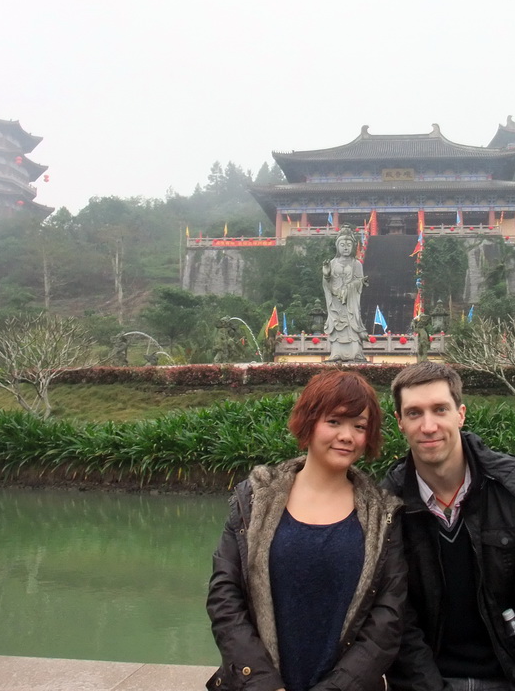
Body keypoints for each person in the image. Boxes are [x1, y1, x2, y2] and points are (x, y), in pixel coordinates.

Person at [206, 370, 406, 691]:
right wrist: (261, 682)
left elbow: (388, 617)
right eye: (334, 422)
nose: (347, 436)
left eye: (359, 426)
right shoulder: (255, 499)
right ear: (309, 422)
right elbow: (224, 596)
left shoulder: (383, 514)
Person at [382, 361, 515, 691]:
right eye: (414, 413)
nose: (429, 426)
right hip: (431, 679)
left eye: (440, 409)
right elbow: (398, 620)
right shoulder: (387, 505)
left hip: (508, 674)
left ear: (461, 414)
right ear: (399, 422)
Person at [322, 226, 369, 362]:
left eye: (348, 245)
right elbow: (327, 283)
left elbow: (359, 281)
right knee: (336, 326)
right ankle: (336, 352)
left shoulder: (357, 264)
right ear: (337, 246)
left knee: (351, 325)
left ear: (353, 246)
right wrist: (326, 275)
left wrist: (351, 287)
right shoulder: (332, 263)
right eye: (342, 245)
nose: (346, 247)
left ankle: (355, 352)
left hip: (350, 302)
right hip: (336, 301)